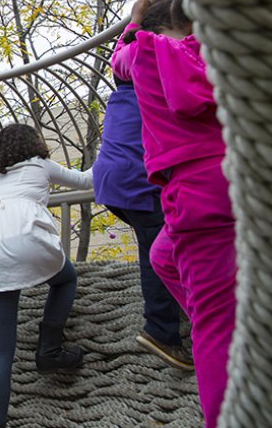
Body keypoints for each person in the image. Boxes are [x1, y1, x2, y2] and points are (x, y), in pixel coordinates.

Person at [112, 0, 236, 428]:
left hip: (196, 194)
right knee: (163, 254)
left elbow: (116, 61)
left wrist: (135, 21)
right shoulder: (219, 53)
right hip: (244, 178)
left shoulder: (144, 51)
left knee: (214, 325)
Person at [0, 124, 92, 428]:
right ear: (32, 144)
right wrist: (111, 151)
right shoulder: (40, 164)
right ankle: (49, 349)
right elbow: (86, 180)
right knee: (66, 278)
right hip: (26, 236)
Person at [92, 75, 193, 371]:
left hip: (110, 183)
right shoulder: (156, 92)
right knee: (160, 251)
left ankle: (178, 305)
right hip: (136, 181)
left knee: (159, 242)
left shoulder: (121, 94)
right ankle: (162, 331)